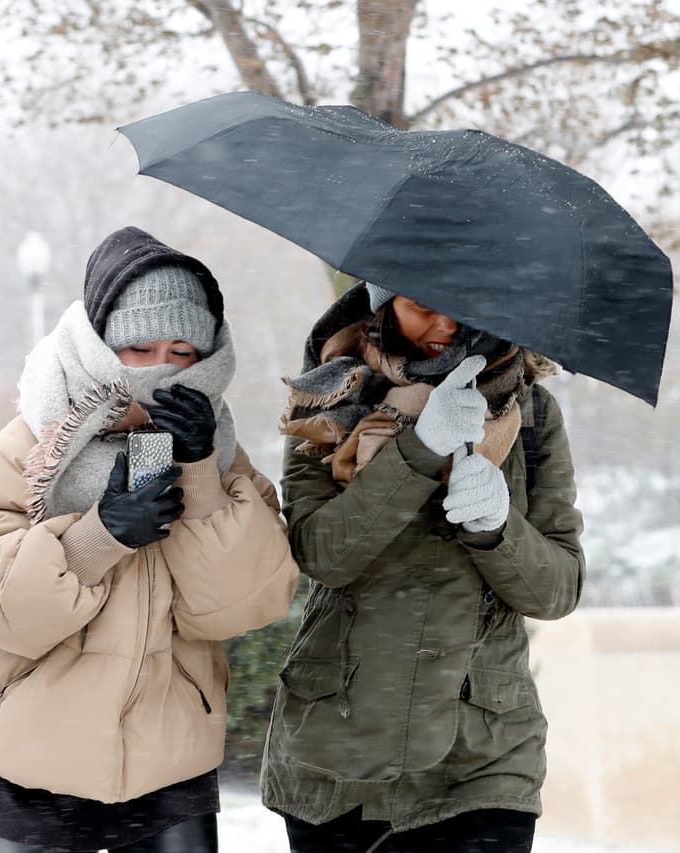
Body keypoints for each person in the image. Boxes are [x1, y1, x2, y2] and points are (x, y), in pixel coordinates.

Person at [0, 225, 300, 852]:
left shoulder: (223, 458)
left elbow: (243, 605)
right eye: (140, 348)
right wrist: (98, 537)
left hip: (170, 758)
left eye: (183, 351)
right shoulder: (30, 443)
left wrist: (200, 471)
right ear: (100, 346)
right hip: (30, 752)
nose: (162, 368)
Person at [262, 282, 585, 852]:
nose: (445, 325)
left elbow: (555, 590)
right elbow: (323, 555)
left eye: (462, 305)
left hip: (481, 757)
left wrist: (497, 527)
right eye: (422, 306)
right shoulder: (328, 398)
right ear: (383, 305)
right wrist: (420, 449)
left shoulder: (529, 414)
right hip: (339, 751)